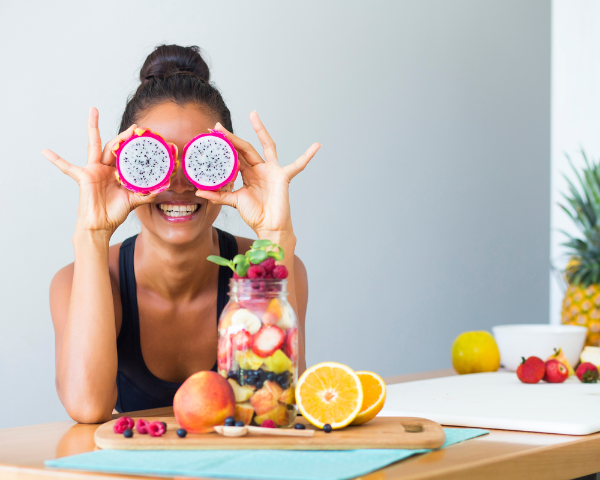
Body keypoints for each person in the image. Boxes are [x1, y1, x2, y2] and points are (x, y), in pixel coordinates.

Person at [42, 44, 320, 424]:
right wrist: (92, 234)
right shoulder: (77, 281)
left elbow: (272, 403)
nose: (179, 184)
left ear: (233, 166)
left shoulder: (271, 266)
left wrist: (275, 236)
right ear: (122, 169)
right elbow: (87, 406)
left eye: (203, 160)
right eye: (151, 161)